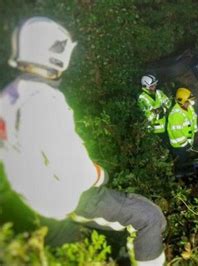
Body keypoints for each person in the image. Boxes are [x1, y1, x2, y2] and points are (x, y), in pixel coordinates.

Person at [0, 17, 167, 265]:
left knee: (69, 251)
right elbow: (75, 172)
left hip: (24, 199)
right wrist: (99, 174)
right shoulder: (44, 100)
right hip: (56, 198)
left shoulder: (9, 95)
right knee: (149, 217)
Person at [167, 87, 198, 165]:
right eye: (189, 101)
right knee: (182, 162)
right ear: (182, 101)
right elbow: (176, 132)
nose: (191, 103)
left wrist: (196, 132)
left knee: (188, 159)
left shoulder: (190, 108)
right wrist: (185, 144)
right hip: (179, 146)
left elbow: (194, 119)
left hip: (188, 143)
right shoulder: (175, 114)